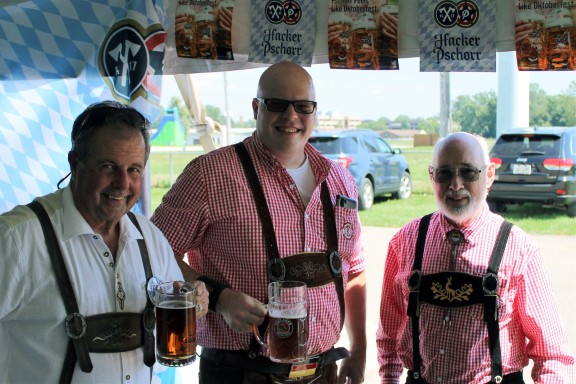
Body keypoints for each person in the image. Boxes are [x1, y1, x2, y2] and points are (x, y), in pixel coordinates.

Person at [151, 61, 367, 384]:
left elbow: (355, 270)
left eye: (303, 106)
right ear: (256, 108)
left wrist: (360, 350)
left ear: (315, 110)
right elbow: (152, 251)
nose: (291, 116)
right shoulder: (210, 174)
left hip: (323, 372)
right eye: (277, 105)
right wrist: (220, 299)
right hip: (241, 373)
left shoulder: (340, 181)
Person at [0, 101, 208, 383]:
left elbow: (174, 311)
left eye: (134, 169)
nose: (123, 184)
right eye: (108, 166)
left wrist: (196, 301)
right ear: (75, 164)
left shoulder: (150, 237)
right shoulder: (17, 239)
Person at [376, 132, 575, 383]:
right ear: (431, 176)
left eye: (468, 173)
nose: (456, 185)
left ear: (489, 175)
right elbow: (389, 335)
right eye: (444, 173)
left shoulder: (519, 248)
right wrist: (389, 379)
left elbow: (552, 355)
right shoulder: (405, 241)